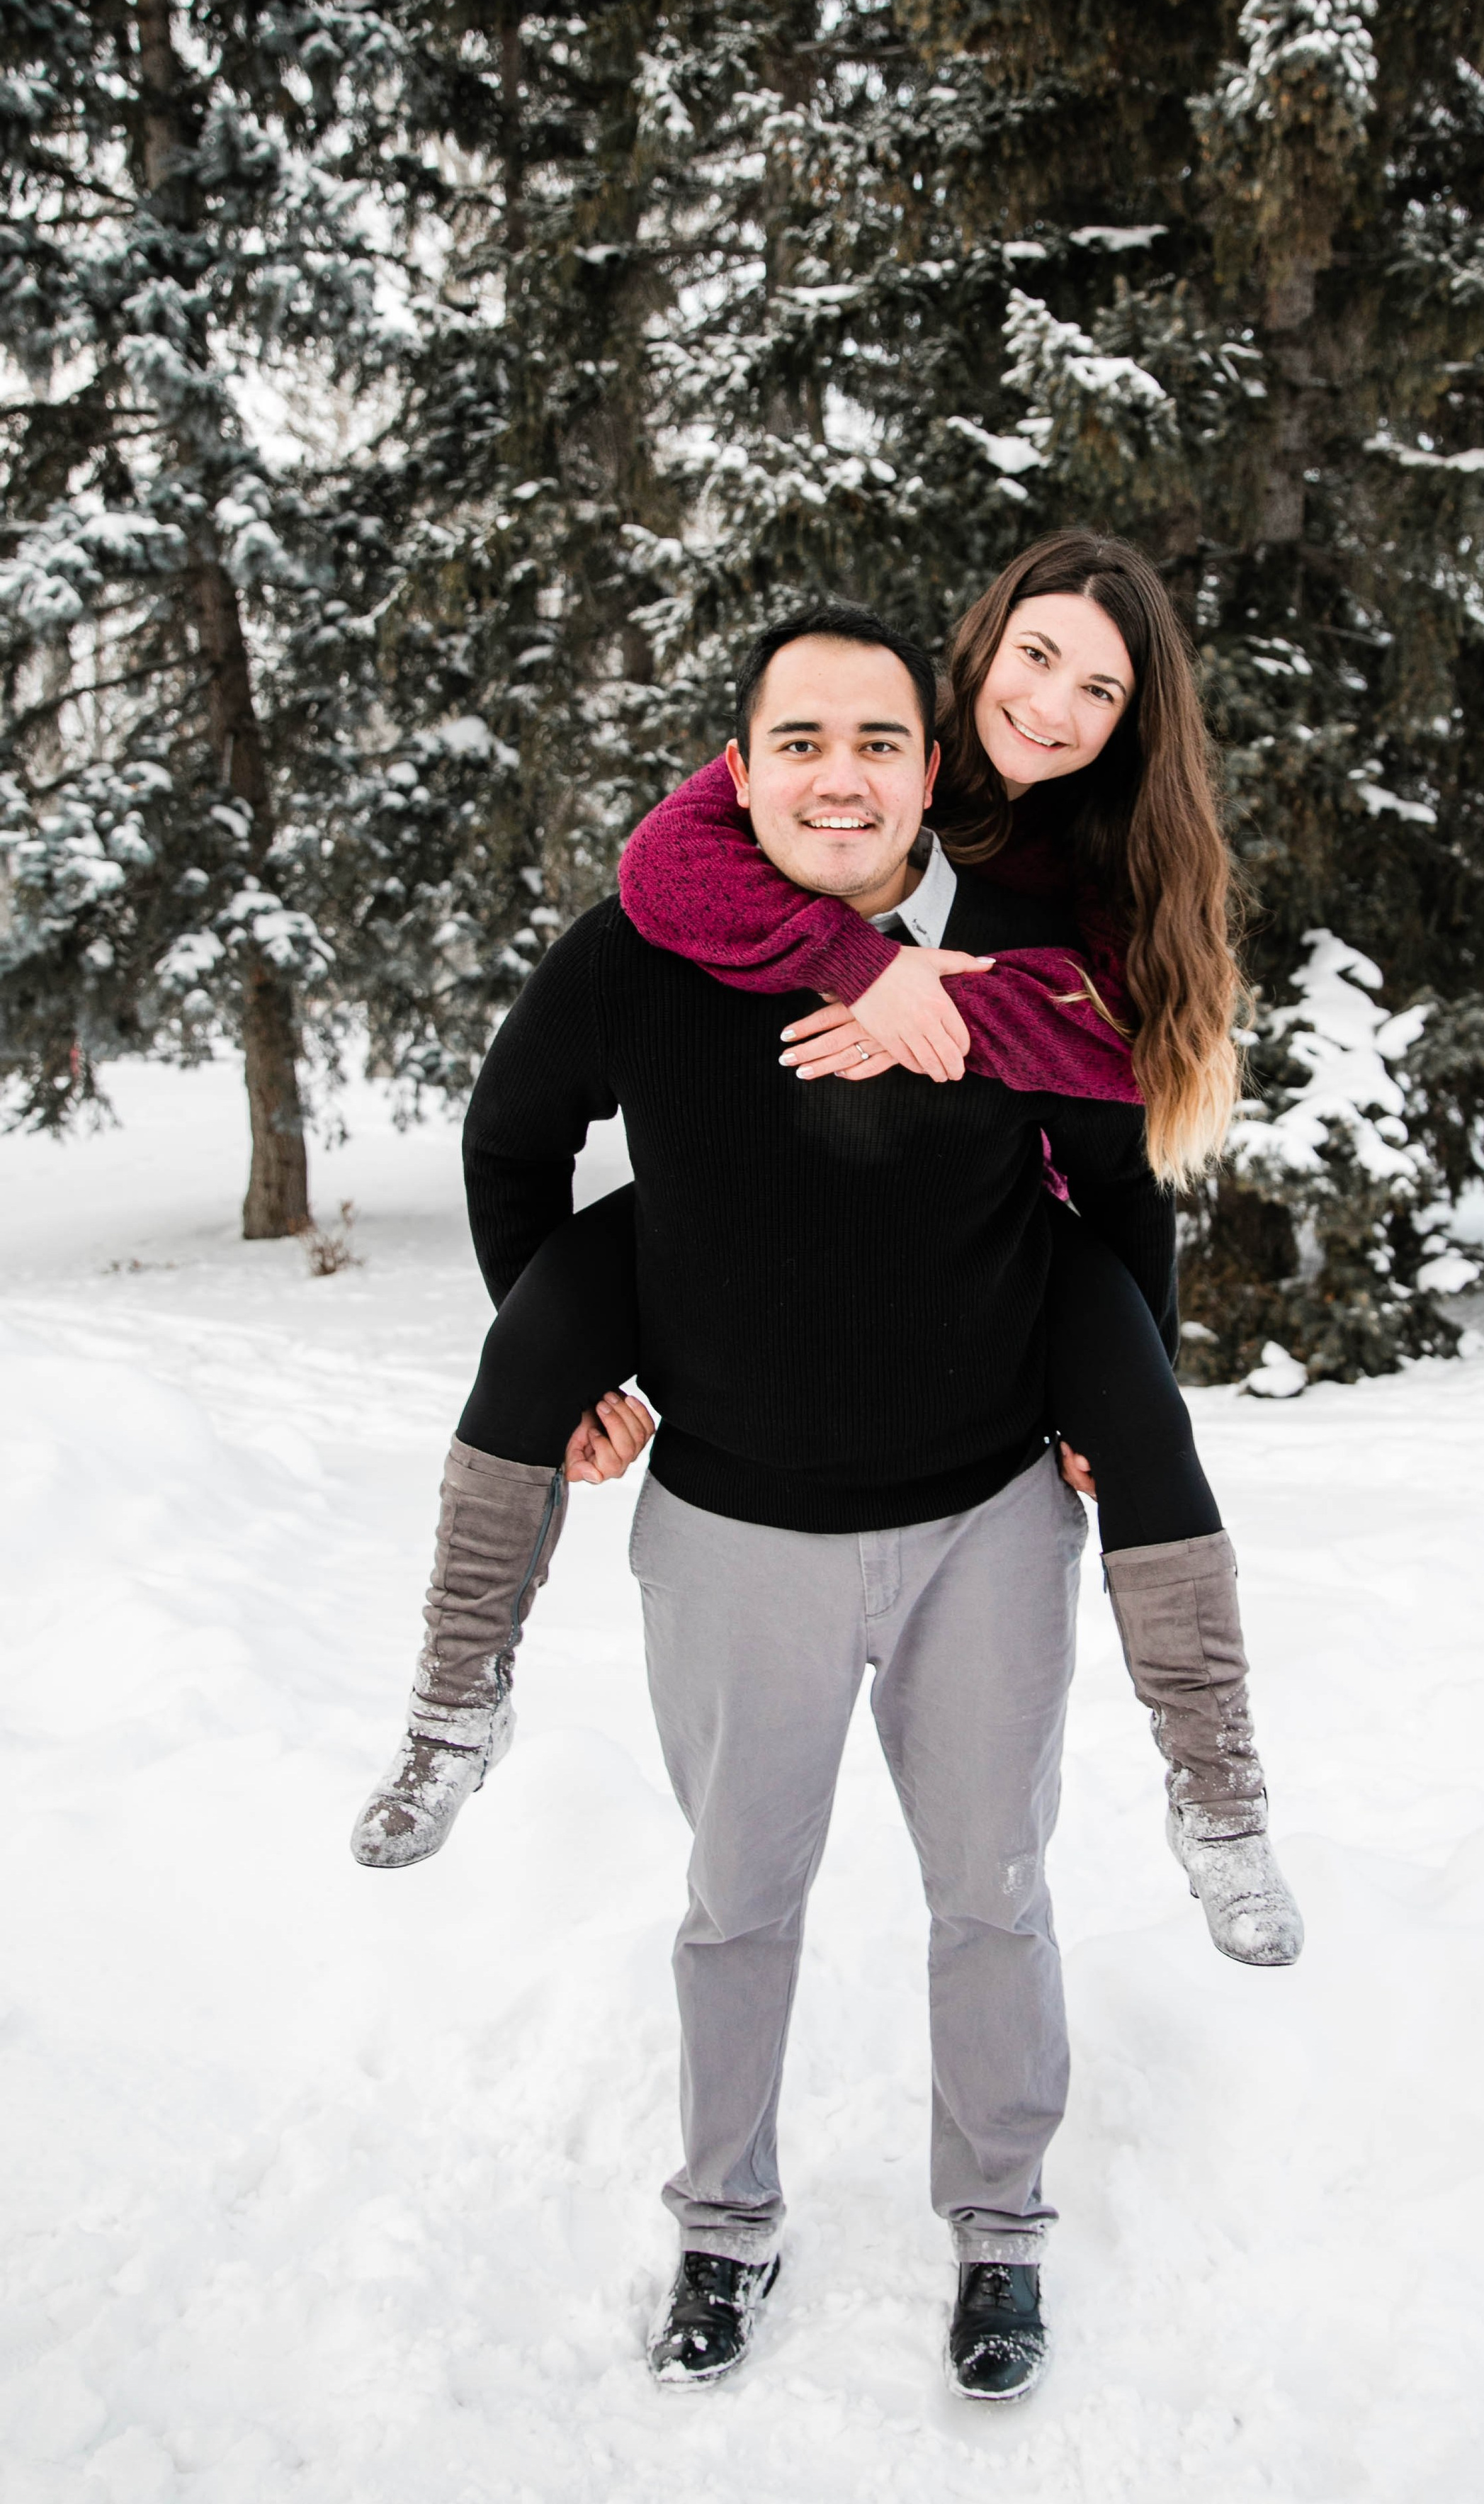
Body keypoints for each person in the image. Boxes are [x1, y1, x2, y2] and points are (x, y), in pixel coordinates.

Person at [366, 607, 1181, 2397]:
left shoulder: (1013, 966)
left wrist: (1122, 1402)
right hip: (733, 1533)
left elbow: (1121, 1194)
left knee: (992, 1892)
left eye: (877, 741)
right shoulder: (645, 950)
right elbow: (513, 1144)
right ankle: (724, 2222)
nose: (839, 772)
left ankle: (999, 2225)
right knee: (738, 1900)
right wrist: (563, 1353)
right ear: (739, 771)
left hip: (985, 1521)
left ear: (928, 769)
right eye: (798, 740)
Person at [353, 537, 1301, 1974]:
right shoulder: (839, 735)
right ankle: (451, 1705)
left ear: (1128, 726)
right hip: (726, 1215)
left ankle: (1220, 1798)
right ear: (969, 657)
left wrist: (965, 1014)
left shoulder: (1093, 864)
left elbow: (1111, 1088)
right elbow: (662, 869)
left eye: (1097, 690)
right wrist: (861, 963)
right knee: (542, 1324)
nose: (1049, 708)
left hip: (967, 1236)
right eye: (1033, 658)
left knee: (1138, 1390)